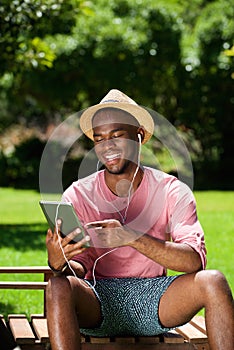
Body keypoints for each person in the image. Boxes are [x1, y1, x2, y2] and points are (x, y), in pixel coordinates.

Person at [46, 89, 233, 350]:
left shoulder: (172, 190)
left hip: (158, 299)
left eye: (117, 135)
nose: (106, 145)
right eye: (99, 139)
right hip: (98, 299)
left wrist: (130, 237)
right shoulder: (77, 194)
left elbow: (194, 261)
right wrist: (60, 263)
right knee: (56, 286)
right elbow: (79, 266)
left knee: (214, 280)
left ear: (140, 136)